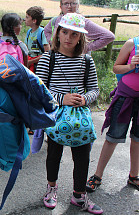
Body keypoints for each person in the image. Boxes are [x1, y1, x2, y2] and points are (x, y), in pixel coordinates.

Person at [36, 13, 103, 214]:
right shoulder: (49, 58)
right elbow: (39, 89)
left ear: (81, 38)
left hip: (80, 120)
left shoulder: (87, 61)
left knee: (83, 156)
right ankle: (51, 188)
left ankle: (79, 195)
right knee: (53, 154)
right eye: (64, 32)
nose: (68, 38)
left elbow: (94, 89)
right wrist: (61, 98)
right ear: (57, 33)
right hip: (56, 117)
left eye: (74, 34)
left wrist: (85, 98)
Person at [86, 37, 139, 192]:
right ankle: (97, 175)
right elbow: (116, 68)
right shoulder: (132, 43)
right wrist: (131, 65)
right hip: (124, 97)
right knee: (113, 137)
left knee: (137, 139)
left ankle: (134, 176)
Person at [44, 0, 115, 53]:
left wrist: (84, 48)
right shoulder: (56, 20)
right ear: (61, 7)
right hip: (57, 60)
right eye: (66, 3)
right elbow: (46, 31)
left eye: (73, 3)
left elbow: (109, 36)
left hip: (78, 62)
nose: (69, 6)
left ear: (78, 5)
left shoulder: (84, 23)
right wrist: (53, 43)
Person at [24, 6, 50, 72]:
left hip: (39, 65)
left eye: (27, 17)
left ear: (34, 21)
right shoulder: (29, 32)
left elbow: (47, 53)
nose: (25, 19)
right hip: (30, 62)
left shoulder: (42, 32)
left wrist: (31, 61)